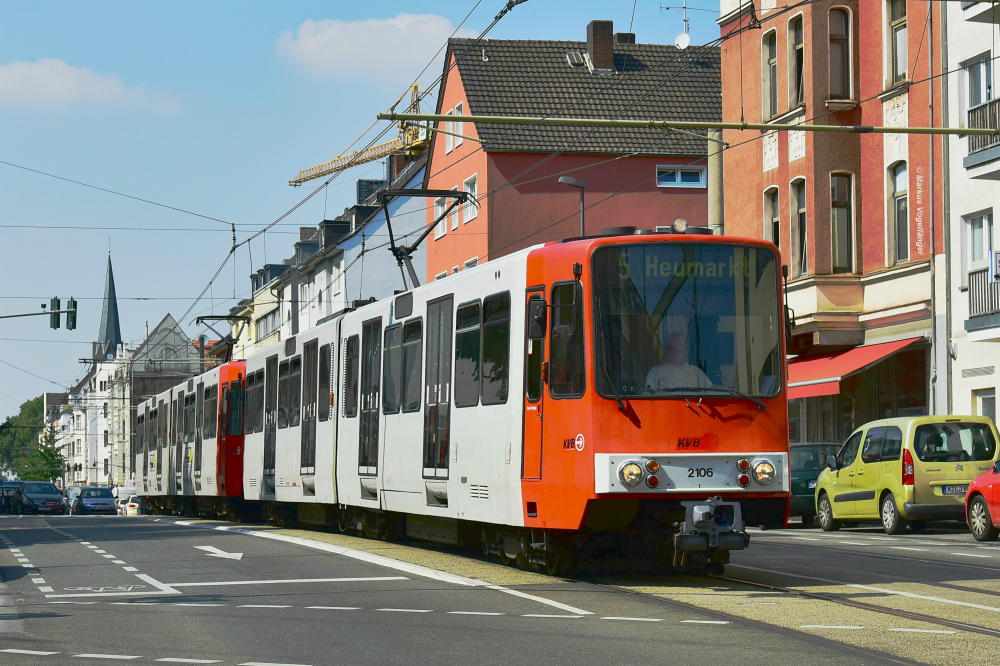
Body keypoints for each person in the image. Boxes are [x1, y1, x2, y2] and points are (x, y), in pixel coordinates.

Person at [645, 332, 712, 390]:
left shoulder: (696, 373)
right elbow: (649, 398)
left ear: (685, 352)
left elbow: (711, 392)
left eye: (677, 351)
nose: (672, 354)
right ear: (664, 351)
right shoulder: (655, 372)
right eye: (669, 349)